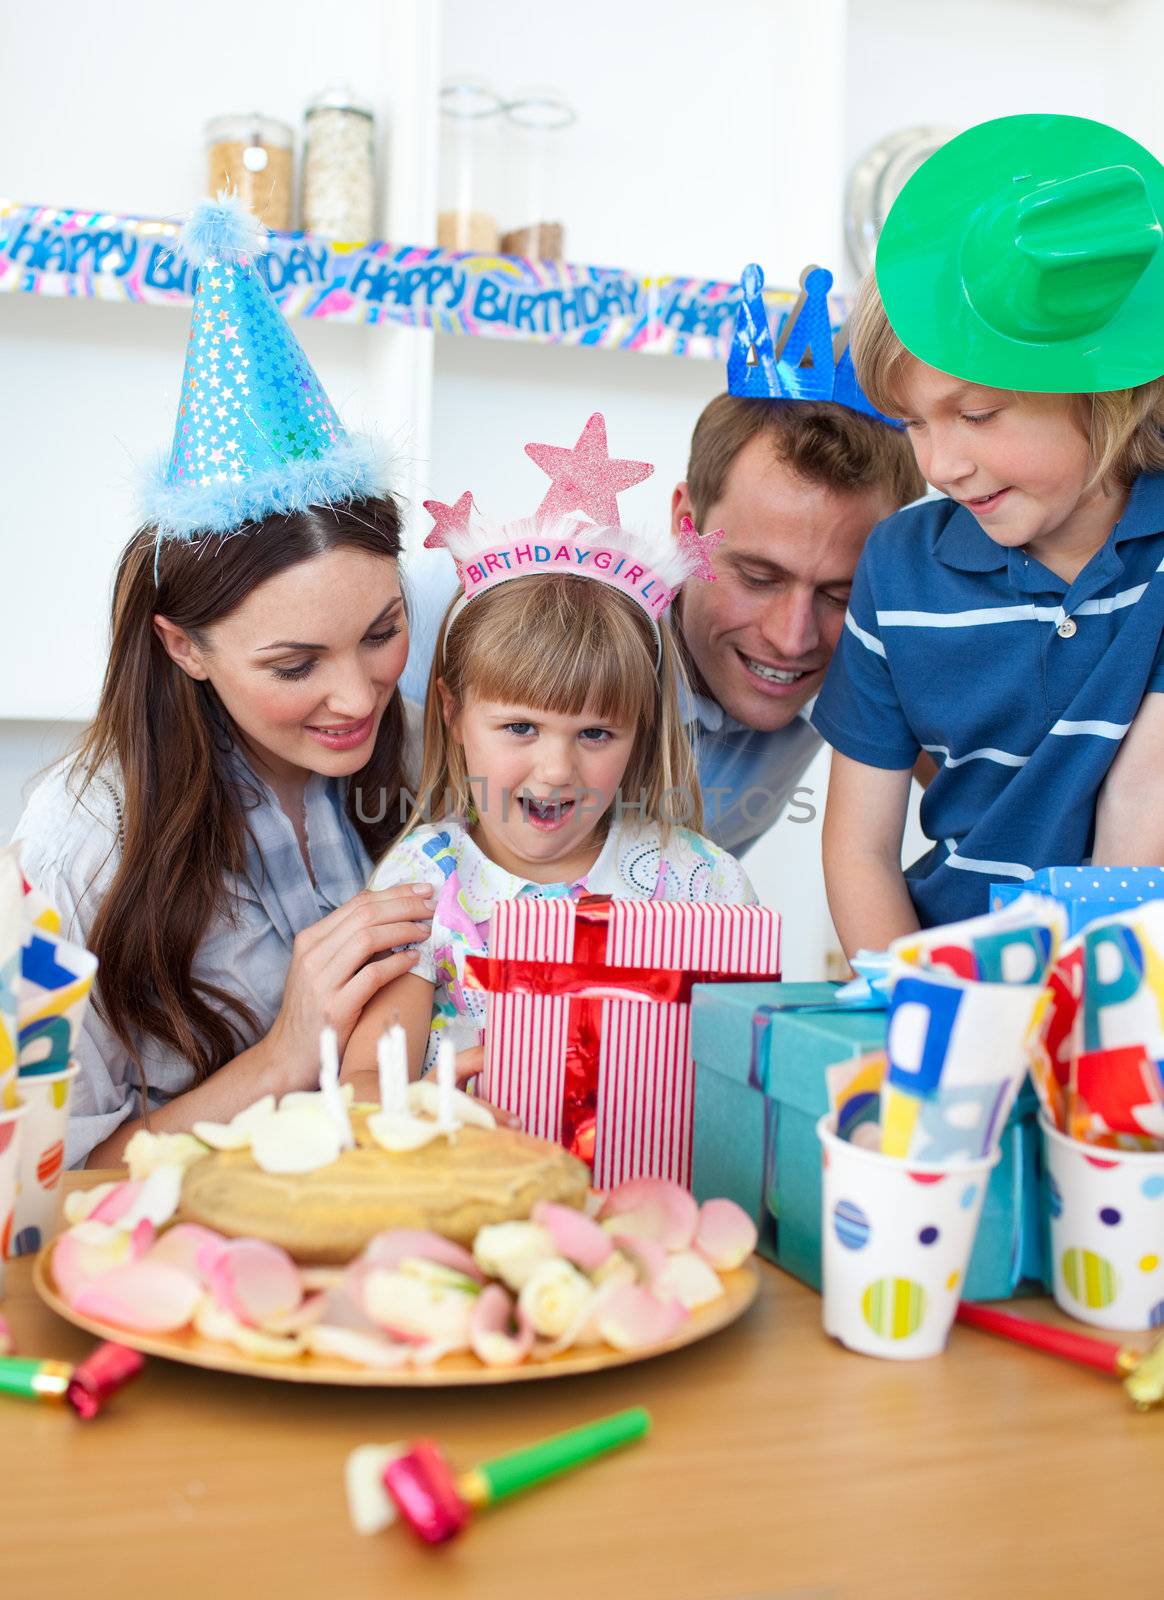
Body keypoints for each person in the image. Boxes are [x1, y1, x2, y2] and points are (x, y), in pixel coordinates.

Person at [11, 199, 431, 1168]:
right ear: (183, 646)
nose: (360, 696)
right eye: (294, 665)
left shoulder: (418, 758)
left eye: (382, 632)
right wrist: (286, 1053)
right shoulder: (76, 852)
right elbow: (36, 1191)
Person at [403, 266, 925, 857]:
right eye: (757, 577)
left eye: (840, 593)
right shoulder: (469, 614)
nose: (792, 637)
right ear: (686, 524)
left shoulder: (863, 672)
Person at [812, 114, 1164, 955]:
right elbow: (860, 846)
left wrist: (1087, 1035)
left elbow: (1139, 823)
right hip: (949, 982)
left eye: (975, 414)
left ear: (1104, 390)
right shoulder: (900, 568)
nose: (943, 465)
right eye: (913, 426)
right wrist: (910, 1008)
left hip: (1125, 994)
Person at [340, 418, 755, 1090]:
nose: (557, 771)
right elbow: (365, 1081)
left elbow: (738, 1083)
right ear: (453, 712)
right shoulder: (423, 888)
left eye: (596, 733)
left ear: (642, 731)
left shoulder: (704, 889)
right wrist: (426, 1106)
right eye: (521, 729)